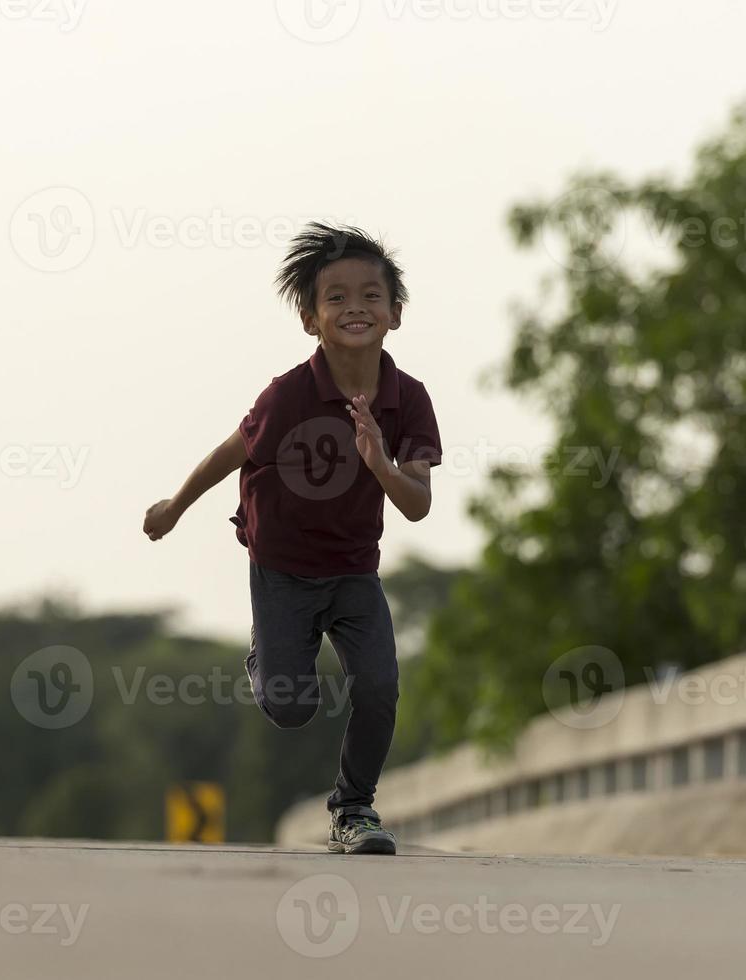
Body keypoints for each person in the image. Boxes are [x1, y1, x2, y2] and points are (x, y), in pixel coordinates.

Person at [142, 222, 442, 854]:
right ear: (311, 319)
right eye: (335, 297)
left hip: (355, 570)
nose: (354, 308)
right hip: (281, 569)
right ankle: (267, 655)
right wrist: (175, 506)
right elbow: (233, 450)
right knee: (291, 707)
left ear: (395, 312)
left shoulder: (408, 400)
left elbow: (416, 507)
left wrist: (382, 464)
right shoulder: (290, 394)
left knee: (381, 688)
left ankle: (353, 808)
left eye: (370, 295)